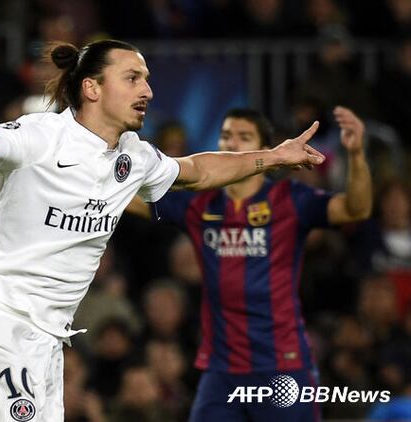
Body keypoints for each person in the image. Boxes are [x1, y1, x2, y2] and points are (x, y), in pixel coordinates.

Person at [0, 39, 325, 421]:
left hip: (47, 340)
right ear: (92, 88)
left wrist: (273, 156)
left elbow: (198, 171)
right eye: (133, 78)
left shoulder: (134, 156)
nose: (148, 91)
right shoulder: (41, 135)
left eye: (147, 79)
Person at [126, 107, 372, 421]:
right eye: (226, 135)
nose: (232, 143)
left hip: (282, 365)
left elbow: (355, 210)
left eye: (244, 137)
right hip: (221, 369)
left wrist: (357, 156)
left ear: (265, 150)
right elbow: (125, 198)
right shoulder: (198, 202)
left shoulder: (290, 199)